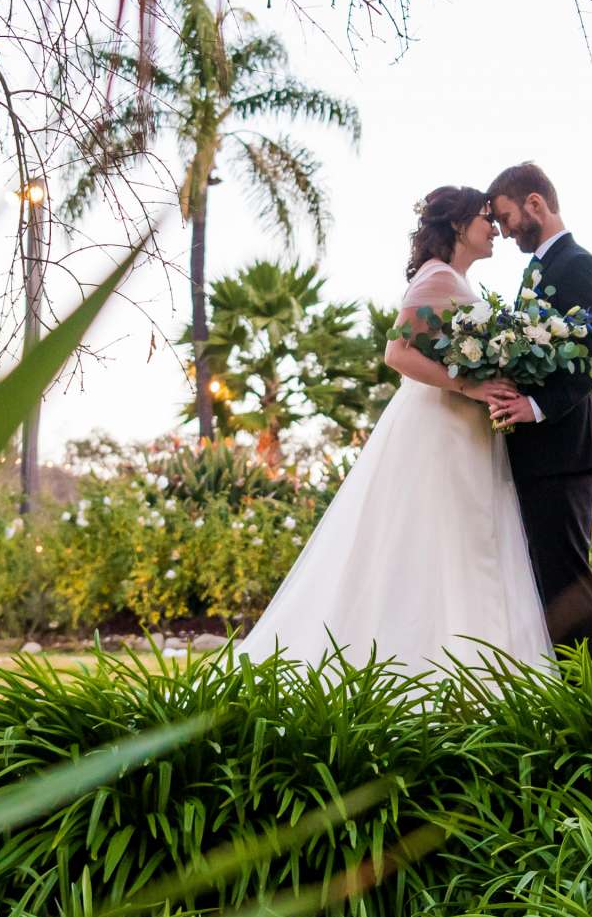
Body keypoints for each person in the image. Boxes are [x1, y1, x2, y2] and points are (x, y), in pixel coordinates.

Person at [237, 186, 553, 675]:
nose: (493, 229)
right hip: (440, 427)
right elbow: (397, 353)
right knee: (440, 540)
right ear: (457, 226)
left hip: (465, 430)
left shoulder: (456, 280)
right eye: (485, 219)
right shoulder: (437, 277)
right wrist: (470, 386)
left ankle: (474, 663)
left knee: (465, 543)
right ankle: (434, 665)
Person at [479, 162, 592, 660]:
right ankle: (561, 691)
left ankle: (585, 697)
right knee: (544, 580)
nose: (504, 228)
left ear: (535, 203)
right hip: (537, 455)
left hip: (563, 451)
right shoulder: (535, 270)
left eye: (507, 215)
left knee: (566, 579)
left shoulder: (578, 264)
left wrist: (536, 406)